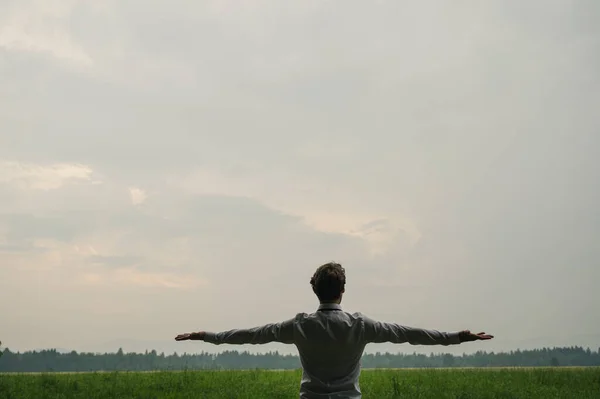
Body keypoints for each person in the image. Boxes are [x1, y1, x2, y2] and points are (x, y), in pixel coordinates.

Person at [175, 262, 493, 398]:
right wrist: (457, 337)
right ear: (342, 290)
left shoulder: (300, 326)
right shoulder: (360, 325)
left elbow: (253, 335)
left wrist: (208, 336)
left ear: (316, 290)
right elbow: (408, 333)